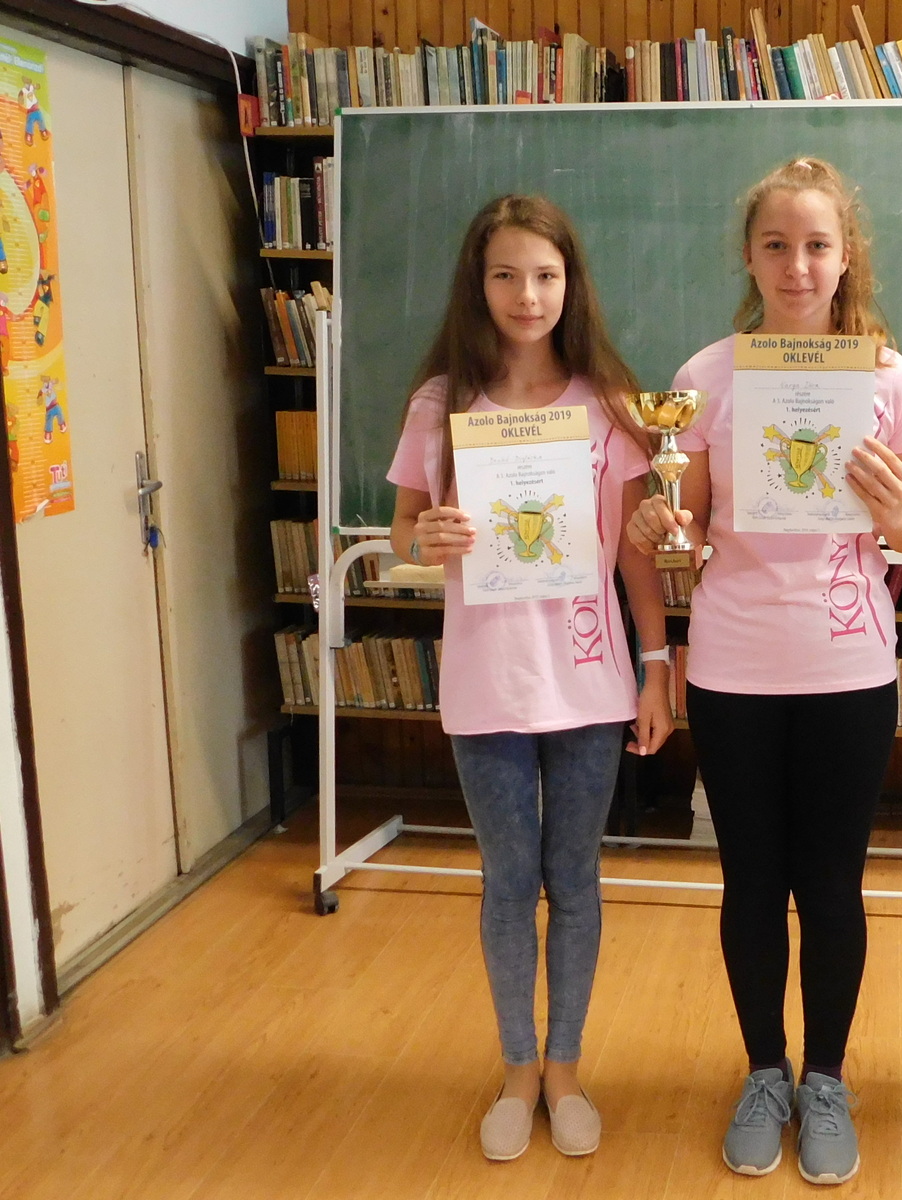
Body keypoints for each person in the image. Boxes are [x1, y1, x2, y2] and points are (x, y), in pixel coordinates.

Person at [626, 157, 902, 1186]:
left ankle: (827, 1080)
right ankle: (765, 1072)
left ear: (847, 256)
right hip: (734, 667)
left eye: (816, 245)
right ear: (749, 257)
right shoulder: (706, 375)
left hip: (849, 667)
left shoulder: (890, 379)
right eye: (776, 245)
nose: (797, 265)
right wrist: (666, 525)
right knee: (752, 882)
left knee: (832, 884)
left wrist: (897, 509)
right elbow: (689, 524)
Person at [386, 194, 672, 1163]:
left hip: (588, 682)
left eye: (545, 275)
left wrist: (657, 666)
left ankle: (565, 1067)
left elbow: (633, 552)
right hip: (488, 685)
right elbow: (404, 533)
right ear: (478, 284)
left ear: (570, 284)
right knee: (509, 882)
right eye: (505, 274)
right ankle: (516, 1067)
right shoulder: (441, 404)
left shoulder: (607, 404)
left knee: (574, 880)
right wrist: (424, 539)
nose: (526, 294)